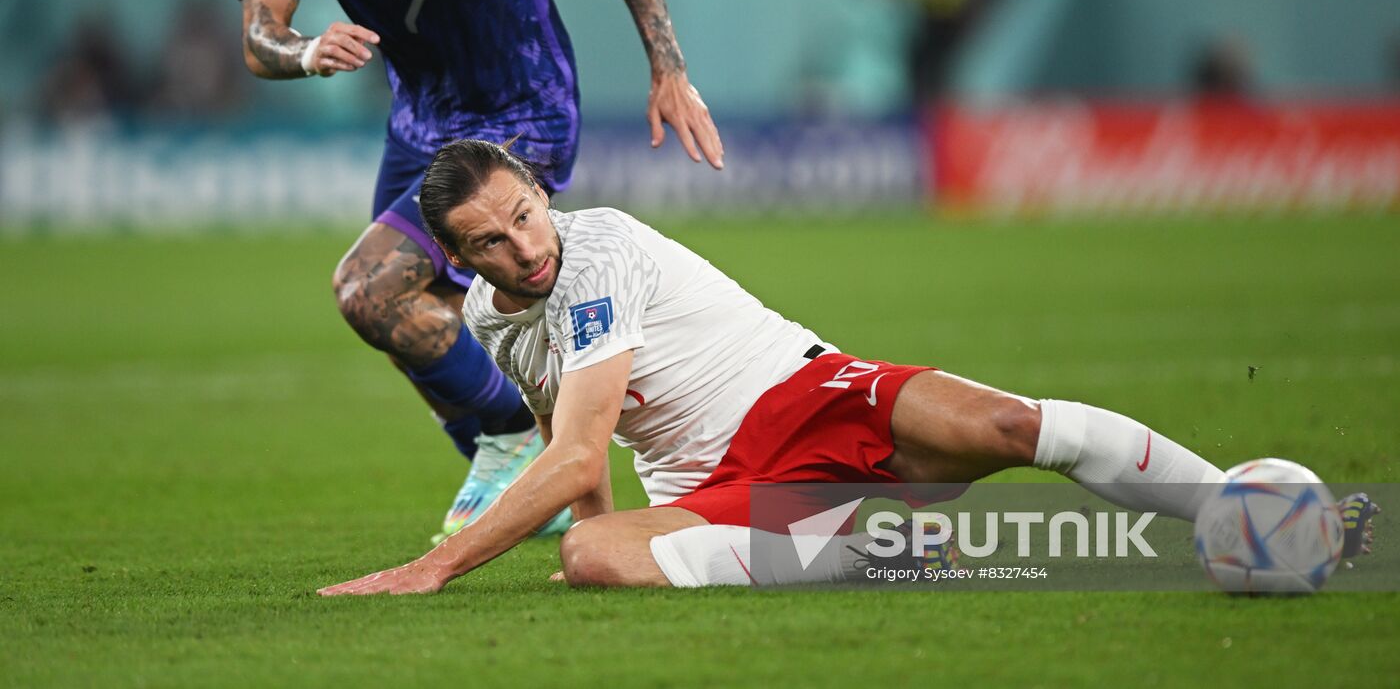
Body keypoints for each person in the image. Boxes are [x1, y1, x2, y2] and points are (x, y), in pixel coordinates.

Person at [318, 140, 1376, 594]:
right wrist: (592, 531)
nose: (524, 244)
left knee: (1011, 429)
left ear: (542, 192)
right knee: (595, 557)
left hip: (804, 393)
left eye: (524, 211)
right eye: (492, 241)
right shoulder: (503, 322)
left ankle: (1230, 507)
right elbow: (573, 447)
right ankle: (882, 546)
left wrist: (433, 567)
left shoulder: (595, 249)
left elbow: (577, 442)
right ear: (459, 262)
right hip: (713, 490)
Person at [237, 0, 723, 543]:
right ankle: (518, 458)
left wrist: (667, 65)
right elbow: (259, 36)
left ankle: (516, 436)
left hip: (521, 111)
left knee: (368, 289)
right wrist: (307, 49)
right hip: (421, 118)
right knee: (406, 318)